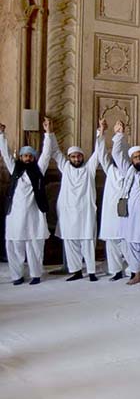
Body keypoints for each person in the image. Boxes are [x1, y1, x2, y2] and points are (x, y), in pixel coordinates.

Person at [48, 117, 105, 282]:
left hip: (85, 214)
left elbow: (98, 152)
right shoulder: (65, 167)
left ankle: (92, 272)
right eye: (73, 157)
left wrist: (100, 131)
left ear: (82, 157)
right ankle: (76, 271)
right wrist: (50, 133)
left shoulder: (89, 169)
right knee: (70, 243)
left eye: (78, 157)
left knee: (87, 242)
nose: (76, 159)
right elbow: (55, 152)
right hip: (68, 214)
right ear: (69, 158)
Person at [0, 118, 53, 285]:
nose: (27, 158)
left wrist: (48, 133)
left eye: (30, 156)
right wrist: (2, 135)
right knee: (14, 245)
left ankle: (36, 274)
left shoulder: (39, 169)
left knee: (35, 245)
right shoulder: (14, 169)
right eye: (24, 156)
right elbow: (6, 154)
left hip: (34, 214)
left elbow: (46, 153)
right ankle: (17, 276)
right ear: (21, 157)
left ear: (33, 157)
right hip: (15, 215)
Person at [112, 120, 140, 285]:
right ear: (132, 160)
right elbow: (116, 154)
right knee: (131, 244)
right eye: (135, 158)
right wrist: (119, 135)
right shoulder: (128, 171)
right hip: (129, 216)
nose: (138, 159)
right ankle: (137, 273)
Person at [98, 121, 128, 280]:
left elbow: (118, 153)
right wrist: (101, 132)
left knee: (126, 243)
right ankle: (116, 270)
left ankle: (132, 270)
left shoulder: (126, 169)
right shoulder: (110, 169)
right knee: (111, 243)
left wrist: (119, 135)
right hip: (110, 213)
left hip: (124, 212)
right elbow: (101, 153)